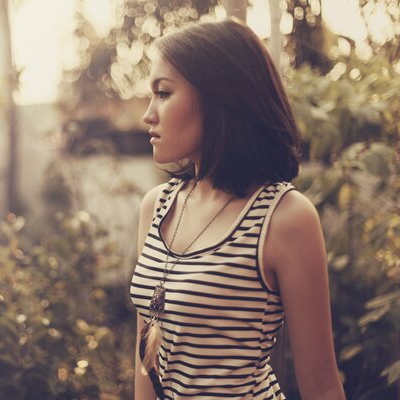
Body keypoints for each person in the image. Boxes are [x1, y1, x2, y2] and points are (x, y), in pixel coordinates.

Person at [129, 18, 346, 400]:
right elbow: (145, 362)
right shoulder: (157, 206)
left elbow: (322, 386)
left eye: (163, 93)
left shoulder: (285, 218)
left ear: (217, 97)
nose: (148, 114)